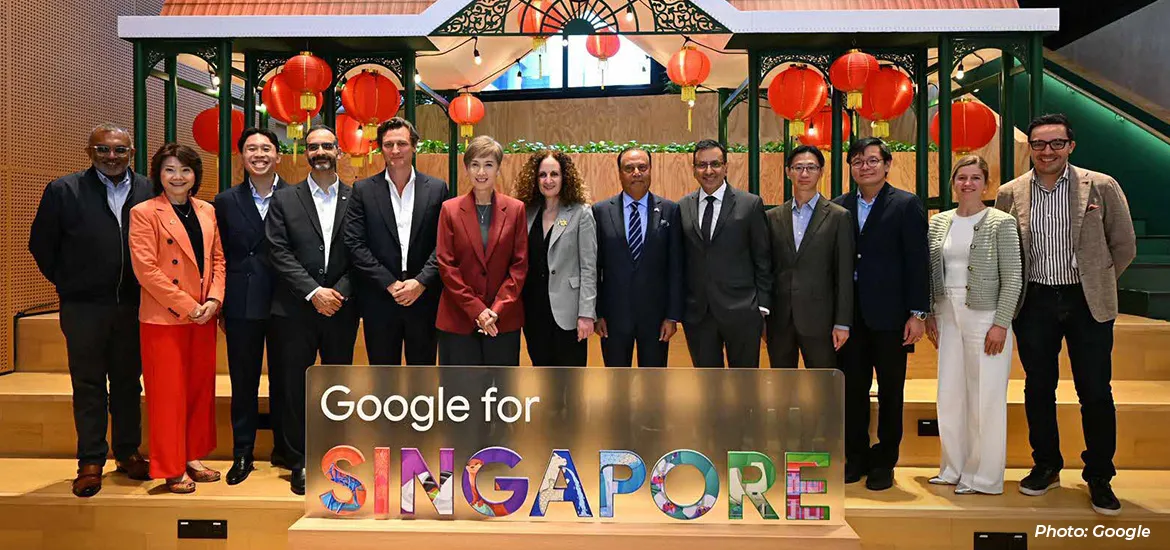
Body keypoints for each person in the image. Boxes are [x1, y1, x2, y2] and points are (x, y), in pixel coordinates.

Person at [995, 113, 1136, 515]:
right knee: (1038, 386)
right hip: (1034, 301)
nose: (1047, 151)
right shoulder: (1011, 192)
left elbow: (1123, 245)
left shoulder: (1102, 186)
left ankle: (1099, 475)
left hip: (1086, 300)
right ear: (1030, 148)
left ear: (1070, 146)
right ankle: (1046, 464)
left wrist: (1096, 279)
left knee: (1094, 389)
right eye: (1038, 144)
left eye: (1056, 143)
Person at [28, 124, 153, 497]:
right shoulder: (64, 191)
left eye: (120, 150)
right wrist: (70, 282)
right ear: (89, 152)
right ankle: (91, 460)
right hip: (83, 307)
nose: (111, 157)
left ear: (132, 152)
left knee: (129, 383)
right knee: (88, 385)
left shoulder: (149, 189)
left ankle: (128, 452)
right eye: (103, 150)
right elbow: (42, 245)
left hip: (134, 305)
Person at [266, 126, 360, 495]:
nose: (320, 151)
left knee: (338, 386)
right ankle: (299, 460)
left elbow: (363, 252)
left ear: (339, 151)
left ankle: (336, 456)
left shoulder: (358, 198)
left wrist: (337, 292)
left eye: (326, 146)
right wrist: (313, 292)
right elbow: (278, 251)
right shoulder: (285, 199)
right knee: (294, 387)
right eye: (312, 146)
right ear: (304, 153)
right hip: (295, 309)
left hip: (342, 308)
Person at [832, 137, 929, 491]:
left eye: (872, 160)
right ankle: (855, 457)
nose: (865, 166)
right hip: (850, 317)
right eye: (857, 160)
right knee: (852, 391)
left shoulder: (906, 204)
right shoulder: (838, 206)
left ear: (887, 165)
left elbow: (918, 262)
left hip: (892, 317)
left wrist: (918, 313)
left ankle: (885, 460)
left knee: (891, 391)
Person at [128, 143, 226, 493]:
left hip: (204, 315)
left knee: (199, 389)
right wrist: (188, 305)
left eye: (185, 170)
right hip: (165, 319)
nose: (178, 177)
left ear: (195, 175)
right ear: (158, 174)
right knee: (168, 394)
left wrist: (214, 299)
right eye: (169, 170)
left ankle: (193, 455)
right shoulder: (144, 212)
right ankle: (170, 466)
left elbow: (218, 259)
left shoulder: (207, 210)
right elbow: (146, 270)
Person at [924, 154, 1023, 495]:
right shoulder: (938, 222)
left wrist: (1001, 323)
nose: (967, 184)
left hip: (986, 316)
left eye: (975, 178)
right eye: (961, 177)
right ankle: (952, 467)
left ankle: (983, 475)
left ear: (986, 183)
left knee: (986, 396)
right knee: (950, 394)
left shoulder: (1000, 222)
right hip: (946, 314)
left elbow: (1013, 277)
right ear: (953, 182)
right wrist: (931, 314)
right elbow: (932, 274)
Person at [213, 127, 288, 485]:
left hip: (287, 300)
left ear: (278, 154)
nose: (259, 154)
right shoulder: (225, 201)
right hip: (241, 301)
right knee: (243, 381)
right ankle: (242, 452)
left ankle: (287, 450)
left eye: (266, 148)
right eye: (251, 149)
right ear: (241, 156)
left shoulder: (296, 195)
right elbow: (219, 254)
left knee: (285, 381)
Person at [343, 117, 448, 366]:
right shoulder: (363, 190)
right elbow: (355, 244)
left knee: (421, 378)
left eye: (402, 143)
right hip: (379, 300)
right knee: (382, 378)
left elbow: (443, 243)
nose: (395, 150)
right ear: (381, 148)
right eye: (388, 144)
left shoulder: (436, 188)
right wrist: (389, 283)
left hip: (423, 299)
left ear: (414, 146)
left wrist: (421, 282)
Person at [678, 139, 772, 368]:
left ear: (726, 167)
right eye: (701, 165)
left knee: (744, 385)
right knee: (708, 387)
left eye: (715, 164)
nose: (708, 171)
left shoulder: (749, 204)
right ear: (693, 169)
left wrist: (761, 307)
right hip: (698, 314)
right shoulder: (682, 206)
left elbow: (763, 259)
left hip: (742, 312)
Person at [434, 135, 528, 366]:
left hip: (502, 320)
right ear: (466, 168)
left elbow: (519, 266)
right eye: (474, 164)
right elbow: (446, 265)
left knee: (501, 394)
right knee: (459, 396)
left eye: (488, 164)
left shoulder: (516, 209)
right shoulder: (450, 209)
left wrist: (495, 310)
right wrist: (477, 310)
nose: (481, 172)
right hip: (458, 318)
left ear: (498, 168)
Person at [592, 147, 683, 367]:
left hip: (656, 318)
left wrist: (672, 316)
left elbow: (676, 267)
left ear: (651, 170)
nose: (636, 173)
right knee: (616, 386)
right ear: (620, 173)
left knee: (653, 388)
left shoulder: (670, 210)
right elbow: (594, 267)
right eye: (629, 168)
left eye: (642, 167)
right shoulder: (600, 211)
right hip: (613, 318)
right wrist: (597, 313)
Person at [765, 145, 853, 369]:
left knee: (822, 388)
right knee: (782, 388)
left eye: (811, 168)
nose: (804, 174)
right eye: (798, 168)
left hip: (821, 321)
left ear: (821, 172)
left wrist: (842, 323)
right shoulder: (771, 217)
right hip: (780, 320)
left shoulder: (838, 217)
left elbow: (844, 273)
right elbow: (766, 270)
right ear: (788, 172)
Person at [515, 150, 598, 366]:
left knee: (571, 383)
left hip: (569, 313)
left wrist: (586, 314)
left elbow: (589, 268)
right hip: (534, 310)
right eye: (542, 175)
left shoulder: (581, 213)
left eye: (555, 174)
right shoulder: (527, 212)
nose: (548, 180)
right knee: (541, 374)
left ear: (565, 177)